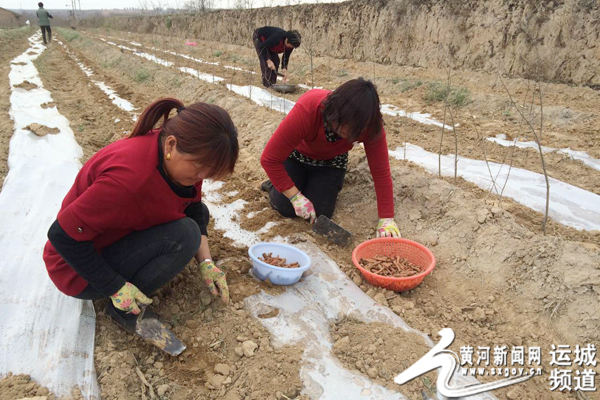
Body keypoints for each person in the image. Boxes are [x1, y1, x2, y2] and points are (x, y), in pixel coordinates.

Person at [43, 98, 238, 339]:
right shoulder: (128, 180)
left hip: (111, 238)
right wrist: (115, 287)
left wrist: (206, 262)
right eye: (199, 168)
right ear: (171, 145)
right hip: (76, 271)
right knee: (185, 235)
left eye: (208, 172)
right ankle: (123, 309)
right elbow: (61, 236)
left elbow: (194, 207)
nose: (202, 176)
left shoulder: (176, 155)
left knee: (197, 219)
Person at [260, 78, 401, 238]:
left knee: (320, 212)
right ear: (334, 112)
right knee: (285, 206)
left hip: (331, 162)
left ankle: (297, 185)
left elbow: (380, 172)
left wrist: (387, 217)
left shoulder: (371, 127)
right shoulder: (309, 108)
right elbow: (269, 159)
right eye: (342, 126)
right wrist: (295, 197)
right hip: (297, 156)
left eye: (353, 132)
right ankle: (274, 184)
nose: (346, 134)